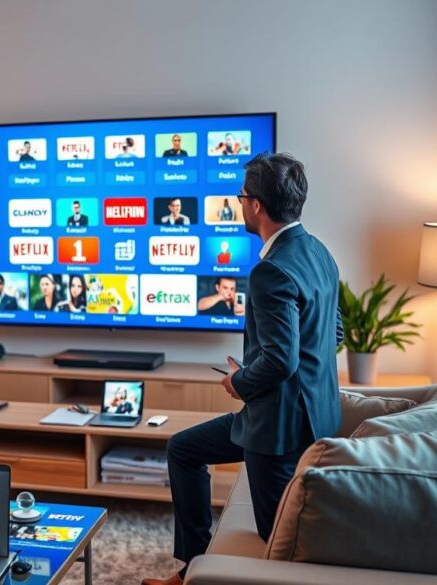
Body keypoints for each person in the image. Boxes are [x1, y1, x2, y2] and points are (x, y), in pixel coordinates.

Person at [143, 153, 344, 585]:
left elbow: (280, 359)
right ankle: (190, 570)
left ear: (255, 205)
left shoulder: (270, 270)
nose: (239, 205)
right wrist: (265, 370)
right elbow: (335, 333)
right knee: (184, 449)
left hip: (277, 431)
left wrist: (238, 380)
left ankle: (204, 573)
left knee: (278, 539)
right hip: (314, 418)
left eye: (240, 197)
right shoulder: (319, 251)